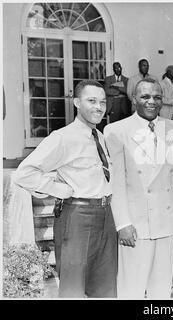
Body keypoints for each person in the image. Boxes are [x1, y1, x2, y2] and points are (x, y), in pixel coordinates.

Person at [13, 80, 117, 298]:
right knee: (73, 289)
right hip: (77, 217)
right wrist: (56, 189)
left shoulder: (100, 136)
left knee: (105, 290)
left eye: (102, 102)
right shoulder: (63, 137)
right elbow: (24, 173)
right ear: (77, 102)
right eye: (91, 101)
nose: (98, 107)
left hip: (106, 215)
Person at [104, 78, 173, 299]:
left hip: (166, 219)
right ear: (134, 99)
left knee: (161, 290)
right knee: (131, 288)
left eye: (157, 97)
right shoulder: (116, 130)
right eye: (145, 97)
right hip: (135, 223)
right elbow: (117, 182)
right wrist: (123, 222)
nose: (152, 101)